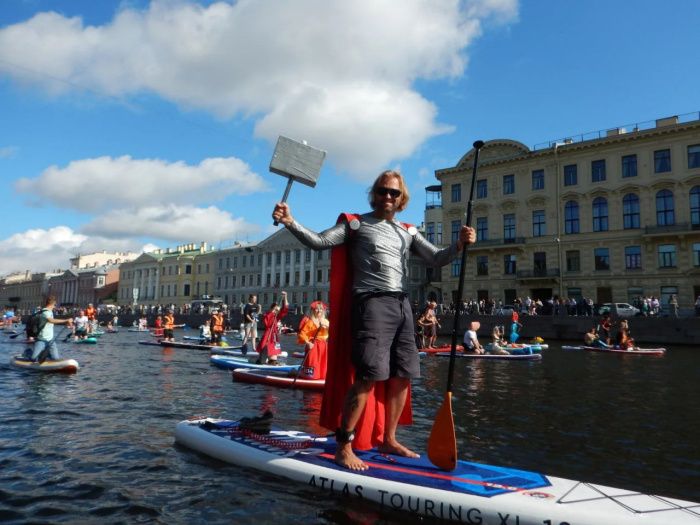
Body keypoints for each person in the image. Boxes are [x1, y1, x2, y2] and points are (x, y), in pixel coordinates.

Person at [272, 169, 476, 471]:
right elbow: (317, 242)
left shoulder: (407, 231)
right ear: (374, 194)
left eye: (394, 193)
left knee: (402, 374)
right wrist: (290, 221)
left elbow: (436, 258)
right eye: (382, 191)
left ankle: (388, 438)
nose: (388, 197)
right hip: (370, 304)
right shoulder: (355, 225)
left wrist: (459, 245)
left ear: (402, 198)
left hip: (402, 304)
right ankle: (344, 444)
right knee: (368, 377)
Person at [28, 295, 73, 362]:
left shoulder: (50, 312)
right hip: (41, 340)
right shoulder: (45, 312)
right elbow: (51, 320)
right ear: (52, 304)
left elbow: (52, 321)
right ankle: (28, 353)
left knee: (56, 359)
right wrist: (66, 320)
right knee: (33, 359)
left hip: (51, 340)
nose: (55, 307)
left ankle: (46, 354)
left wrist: (68, 323)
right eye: (55, 305)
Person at [296, 301, 330, 380]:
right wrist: (307, 343)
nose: (319, 311)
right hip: (313, 345)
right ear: (313, 310)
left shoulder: (326, 321)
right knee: (312, 371)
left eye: (321, 309)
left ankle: (321, 376)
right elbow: (302, 334)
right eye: (317, 309)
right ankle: (296, 372)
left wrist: (328, 328)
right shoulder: (310, 321)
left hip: (323, 346)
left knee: (323, 370)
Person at [255, 292, 288, 365]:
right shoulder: (267, 314)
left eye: (277, 310)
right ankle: (261, 361)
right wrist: (274, 311)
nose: (277, 311)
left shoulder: (277, 316)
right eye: (275, 309)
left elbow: (285, 309)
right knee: (264, 350)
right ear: (271, 309)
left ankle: (272, 361)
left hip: (274, 336)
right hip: (268, 335)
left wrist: (285, 298)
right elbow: (268, 323)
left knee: (274, 355)